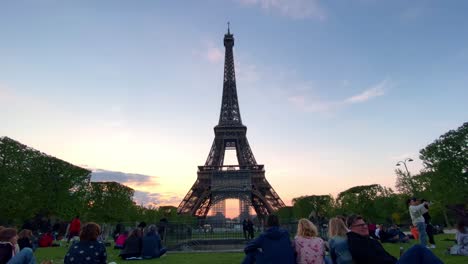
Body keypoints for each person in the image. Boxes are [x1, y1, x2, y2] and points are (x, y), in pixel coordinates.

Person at [346, 215, 442, 264]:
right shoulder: (355, 242)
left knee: (420, 255)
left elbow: (384, 256)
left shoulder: (367, 240)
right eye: (360, 225)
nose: (364, 227)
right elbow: (372, 260)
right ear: (351, 228)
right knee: (418, 249)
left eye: (364, 224)